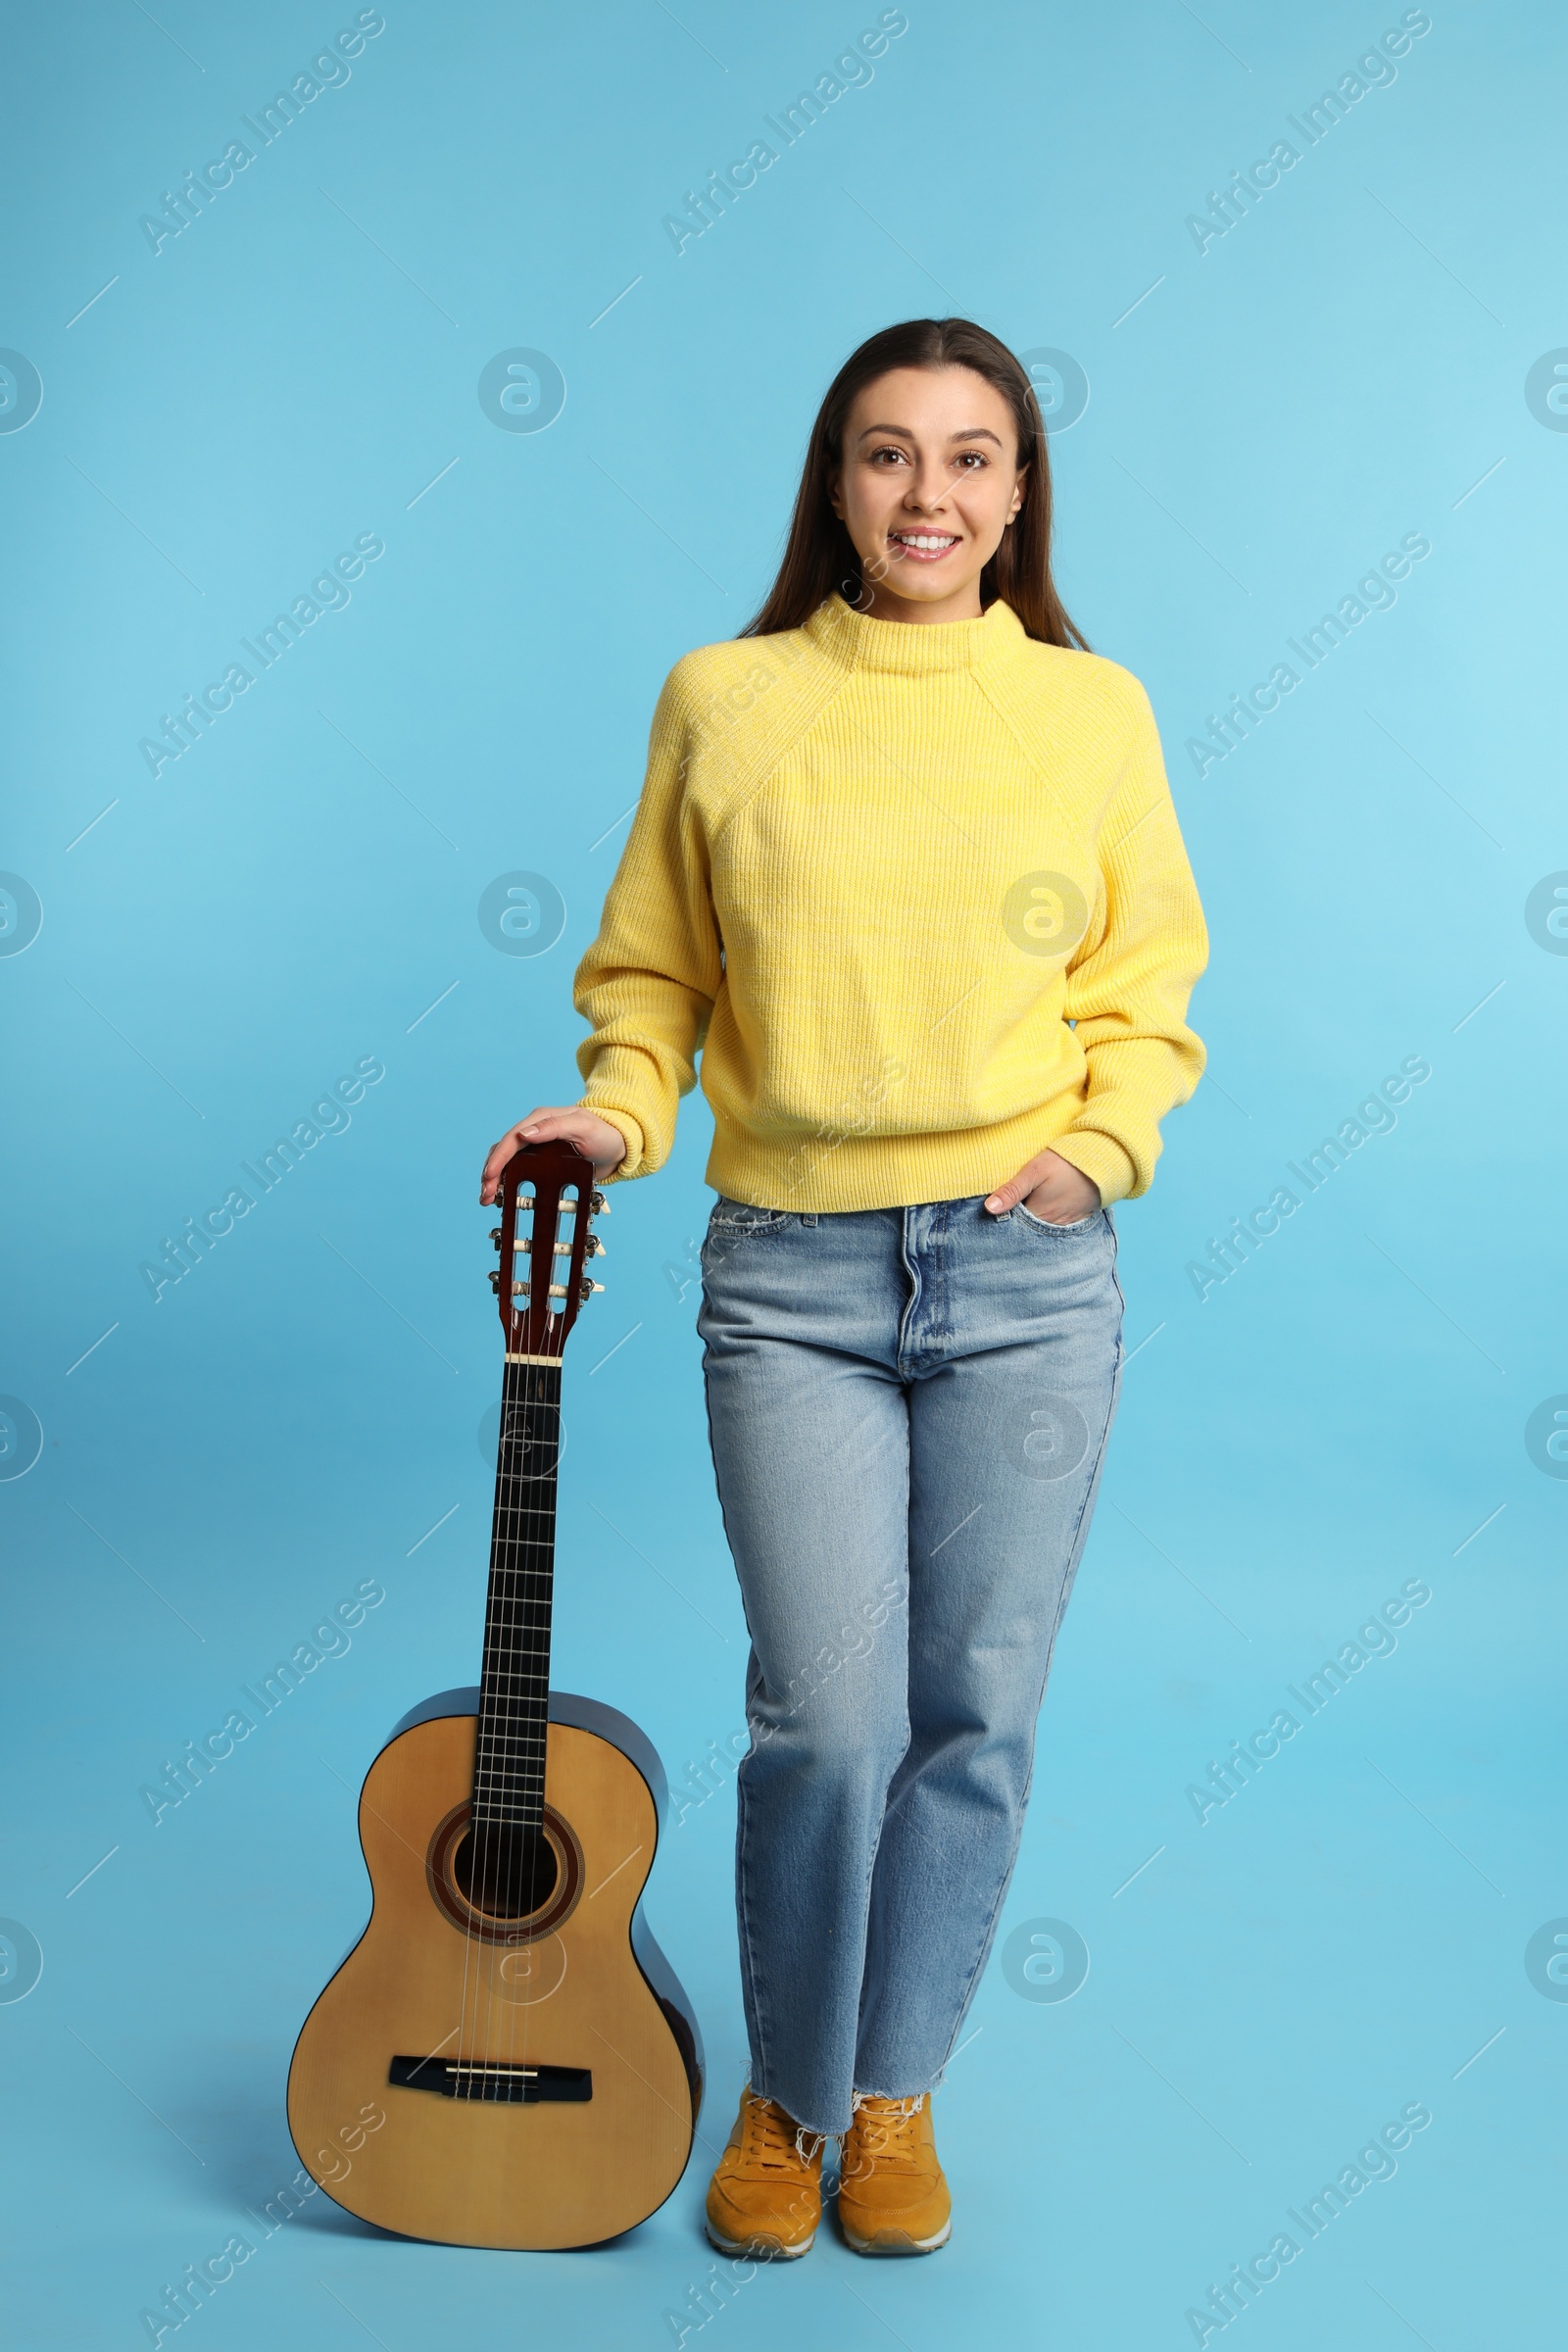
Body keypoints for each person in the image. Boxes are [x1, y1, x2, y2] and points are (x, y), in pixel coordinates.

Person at [481, 317, 1208, 2259]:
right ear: (832, 483)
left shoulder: (1087, 712)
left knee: (972, 1710)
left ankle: (891, 2102)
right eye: (887, 457)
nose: (927, 496)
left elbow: (1146, 997)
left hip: (1027, 1274)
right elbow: (653, 981)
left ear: (1018, 493)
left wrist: (1096, 1151)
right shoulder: (723, 701)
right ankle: (783, 2104)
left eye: (969, 460)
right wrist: (615, 1120)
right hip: (787, 1277)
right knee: (821, 1717)